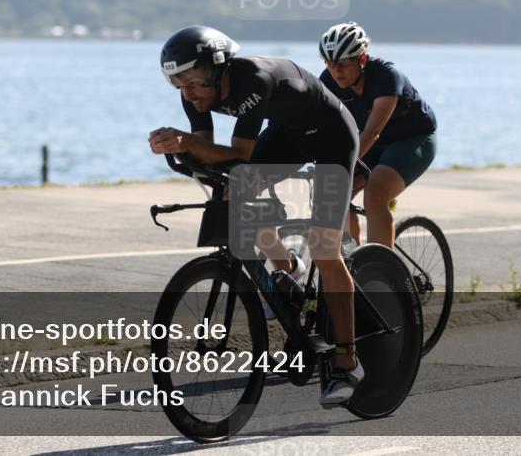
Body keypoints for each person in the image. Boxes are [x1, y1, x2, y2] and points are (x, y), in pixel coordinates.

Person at [148, 26, 363, 407]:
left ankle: (347, 361)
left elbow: (240, 154)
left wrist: (189, 144)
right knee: (236, 191)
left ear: (218, 70)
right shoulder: (193, 96)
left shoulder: (253, 81)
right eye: (178, 84)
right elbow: (209, 152)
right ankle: (289, 271)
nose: (188, 93)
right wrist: (179, 150)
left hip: (332, 137)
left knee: (326, 249)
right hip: (290, 135)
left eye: (194, 81)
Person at [318, 22, 438, 248]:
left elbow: (372, 131)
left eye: (343, 63)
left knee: (375, 193)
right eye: (330, 63)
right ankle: (355, 265)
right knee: (335, 194)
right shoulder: (329, 81)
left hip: (412, 140)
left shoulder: (386, 77)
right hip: (374, 144)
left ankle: (383, 273)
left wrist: (343, 164)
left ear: (362, 59)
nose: (336, 71)